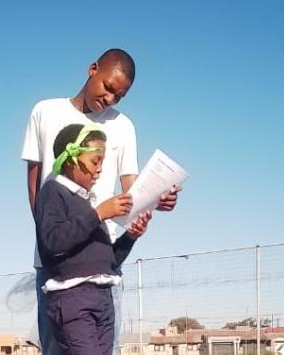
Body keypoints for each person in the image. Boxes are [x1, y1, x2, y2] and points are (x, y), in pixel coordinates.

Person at [21, 48, 181, 354]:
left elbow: (133, 191)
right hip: (57, 266)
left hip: (103, 263)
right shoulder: (45, 112)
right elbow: (34, 185)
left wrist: (157, 198)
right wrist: (52, 241)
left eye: (119, 96)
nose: (109, 99)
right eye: (108, 87)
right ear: (92, 69)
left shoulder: (123, 126)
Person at [34, 123, 152, 355]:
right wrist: (98, 214)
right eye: (95, 161)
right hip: (73, 299)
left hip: (103, 299)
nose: (99, 170)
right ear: (71, 160)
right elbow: (52, 241)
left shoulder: (88, 204)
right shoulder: (52, 192)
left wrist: (131, 236)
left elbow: (108, 261)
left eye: (102, 162)